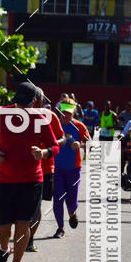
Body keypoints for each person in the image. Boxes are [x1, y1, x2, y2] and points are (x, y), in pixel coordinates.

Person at [0, 81, 59, 262]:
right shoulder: (2, 115)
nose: (22, 108)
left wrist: (43, 152)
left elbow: (55, 146)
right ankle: (3, 249)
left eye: (26, 104)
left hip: (31, 179)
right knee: (2, 226)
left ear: (33, 102)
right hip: (4, 178)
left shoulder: (40, 119)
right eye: (20, 104)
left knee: (23, 223)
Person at [27, 105, 66, 251]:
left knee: (36, 205)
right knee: (24, 204)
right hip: (21, 167)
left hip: (45, 169)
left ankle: (29, 239)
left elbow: (61, 139)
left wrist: (48, 150)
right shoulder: (16, 115)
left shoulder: (50, 116)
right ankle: (23, 236)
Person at [52, 100, 90, 237]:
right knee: (57, 198)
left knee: (71, 199)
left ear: (74, 112)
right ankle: (60, 228)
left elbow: (90, 144)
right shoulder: (55, 125)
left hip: (74, 169)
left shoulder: (79, 126)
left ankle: (72, 213)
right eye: (63, 113)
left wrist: (79, 145)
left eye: (68, 113)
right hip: (57, 168)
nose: (65, 116)